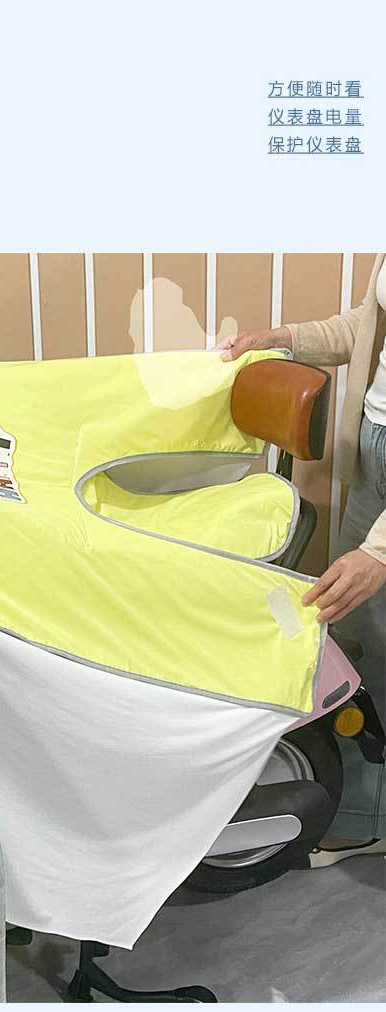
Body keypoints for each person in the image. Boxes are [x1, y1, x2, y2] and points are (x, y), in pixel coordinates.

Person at [217, 254, 386, 865]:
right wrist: (280, 338)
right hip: (377, 442)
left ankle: (370, 821)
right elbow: (365, 325)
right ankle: (368, 814)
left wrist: (379, 552)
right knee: (358, 631)